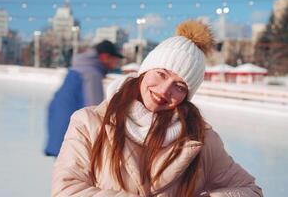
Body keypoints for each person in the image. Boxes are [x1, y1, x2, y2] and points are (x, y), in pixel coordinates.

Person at [51, 20, 263, 197]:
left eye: (179, 87)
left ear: (187, 96)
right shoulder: (88, 123)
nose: (164, 90)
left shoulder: (201, 139)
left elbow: (251, 191)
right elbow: (66, 190)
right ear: (145, 70)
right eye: (161, 74)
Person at [44, 40, 123, 157]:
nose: (117, 63)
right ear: (105, 57)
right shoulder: (92, 74)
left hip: (60, 127)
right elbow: (95, 110)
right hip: (72, 134)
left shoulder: (79, 68)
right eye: (115, 59)